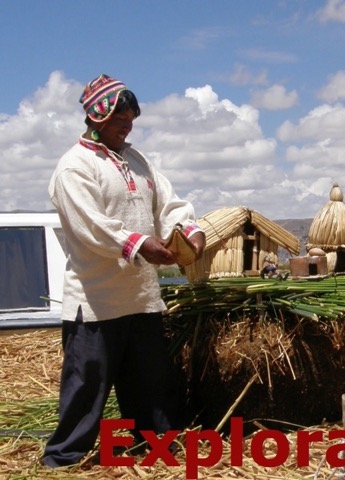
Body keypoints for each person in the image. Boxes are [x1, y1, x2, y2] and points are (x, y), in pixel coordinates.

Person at [41, 74, 206, 468]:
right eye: (120, 118)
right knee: (86, 389)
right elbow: (91, 225)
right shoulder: (74, 167)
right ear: (96, 117)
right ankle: (63, 460)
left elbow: (168, 204)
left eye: (131, 118)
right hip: (96, 303)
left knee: (152, 386)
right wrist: (140, 244)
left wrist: (189, 233)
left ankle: (157, 448)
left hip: (142, 299)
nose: (127, 125)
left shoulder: (137, 160)